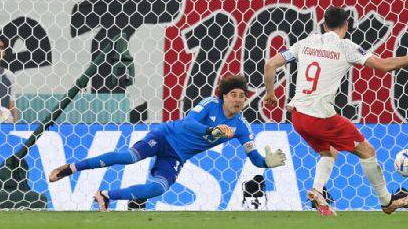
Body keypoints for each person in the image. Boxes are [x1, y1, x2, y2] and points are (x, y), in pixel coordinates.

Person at [263, 7, 408, 216]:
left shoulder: (306, 43)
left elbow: (270, 63)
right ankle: (387, 202)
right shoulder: (345, 46)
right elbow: (384, 65)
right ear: (347, 25)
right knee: (367, 151)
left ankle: (317, 190)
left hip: (298, 116)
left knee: (328, 152)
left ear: (323, 24)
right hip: (319, 117)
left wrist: (270, 94)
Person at [49, 75, 286, 211]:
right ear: (223, 96)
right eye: (233, 94)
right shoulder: (210, 104)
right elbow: (188, 123)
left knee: (159, 188)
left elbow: (253, 157)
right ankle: (71, 168)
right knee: (130, 157)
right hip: (165, 136)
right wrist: (211, 129)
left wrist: (266, 163)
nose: (237, 99)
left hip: (176, 156)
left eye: (242, 96)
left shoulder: (242, 128)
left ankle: (106, 195)